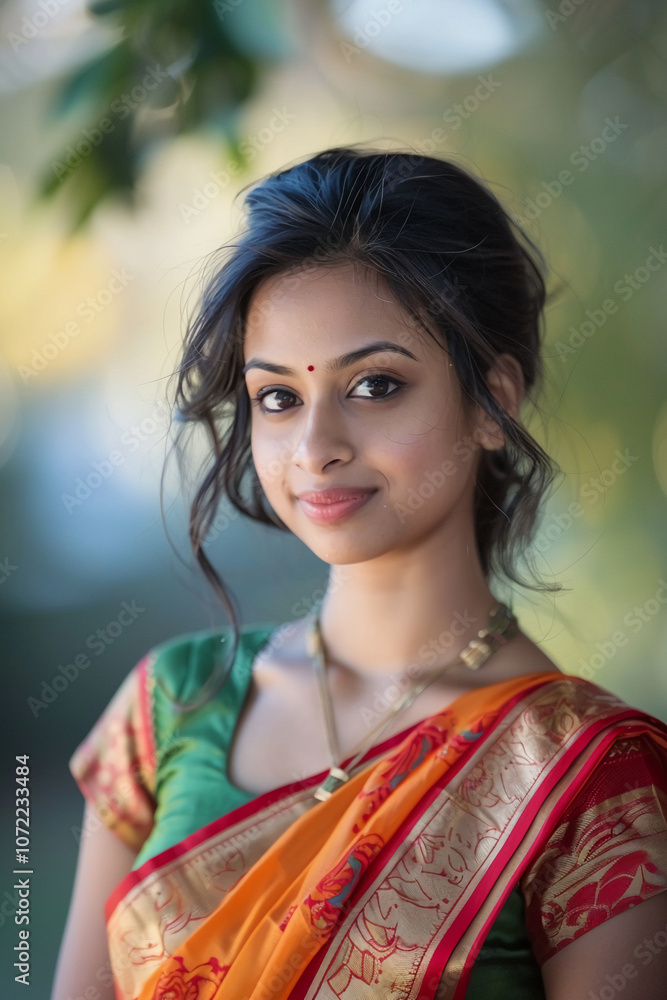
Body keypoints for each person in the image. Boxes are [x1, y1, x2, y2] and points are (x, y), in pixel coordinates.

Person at [51, 146, 667, 1000]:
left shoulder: (585, 775)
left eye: (375, 385)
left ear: (493, 402)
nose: (315, 447)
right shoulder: (170, 707)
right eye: (277, 397)